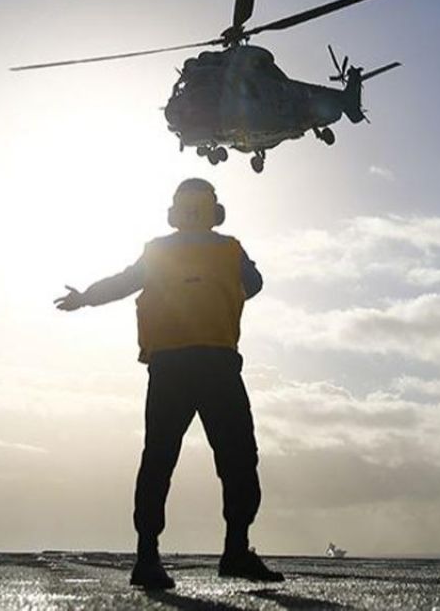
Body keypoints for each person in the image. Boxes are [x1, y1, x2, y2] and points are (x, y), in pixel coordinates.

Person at [54, 178, 284, 590]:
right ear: (215, 211)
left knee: (159, 457)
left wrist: (84, 297)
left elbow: (123, 283)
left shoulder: (157, 251)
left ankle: (147, 555)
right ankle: (236, 550)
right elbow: (255, 284)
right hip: (217, 363)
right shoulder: (231, 248)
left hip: (169, 366)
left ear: (174, 213)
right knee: (237, 459)